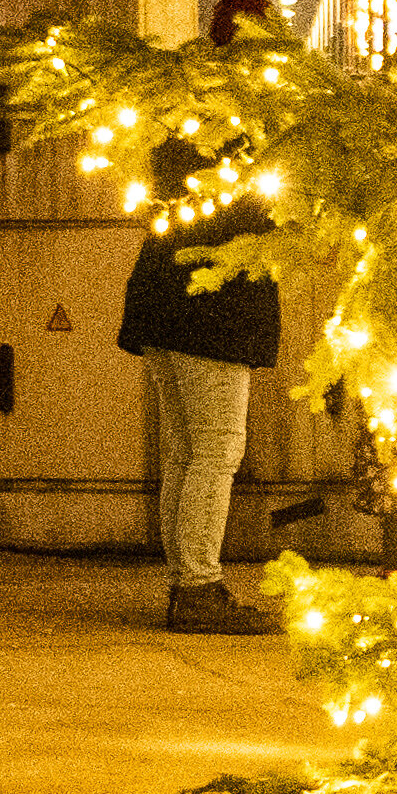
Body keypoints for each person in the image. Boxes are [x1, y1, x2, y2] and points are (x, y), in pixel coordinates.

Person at [121, 86, 285, 640]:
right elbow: (263, 213)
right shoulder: (240, 136)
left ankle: (186, 581)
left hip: (163, 302)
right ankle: (198, 588)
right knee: (215, 453)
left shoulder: (180, 122)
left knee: (185, 454)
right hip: (209, 309)